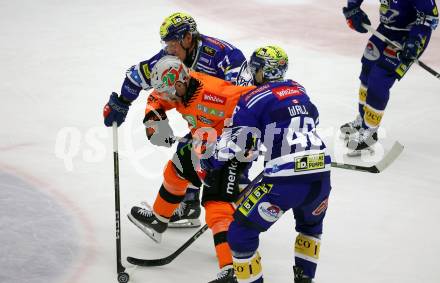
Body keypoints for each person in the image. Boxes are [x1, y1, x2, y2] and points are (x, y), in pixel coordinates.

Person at [102, 12, 253, 227]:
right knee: (189, 155)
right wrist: (122, 103)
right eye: (167, 44)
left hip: (230, 119)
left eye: (173, 43)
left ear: (188, 38)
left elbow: (246, 101)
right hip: (202, 119)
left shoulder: (225, 55)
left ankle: (238, 220)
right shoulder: (171, 56)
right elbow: (137, 76)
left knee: (228, 168)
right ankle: (189, 207)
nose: (168, 49)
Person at [201, 46, 332, 283]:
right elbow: (314, 118)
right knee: (310, 228)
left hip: (285, 179)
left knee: (240, 234)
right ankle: (305, 279)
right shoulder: (298, 89)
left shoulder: (251, 97)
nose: (253, 73)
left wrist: (210, 160)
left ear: (263, 71)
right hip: (321, 171)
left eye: (255, 68)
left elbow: (236, 142)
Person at [127, 55, 255, 282]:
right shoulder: (177, 87)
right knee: (175, 169)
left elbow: (257, 102)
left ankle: (233, 268)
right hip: (203, 143)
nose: (165, 95)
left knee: (217, 204)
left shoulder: (218, 93)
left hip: (232, 149)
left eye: (168, 91)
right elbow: (156, 98)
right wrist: (155, 122)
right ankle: (159, 220)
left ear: (180, 83)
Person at [340, 0, 438, 152]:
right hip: (385, 30)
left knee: (379, 79)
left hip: (408, 38)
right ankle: (364, 120)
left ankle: (370, 132)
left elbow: (430, 17)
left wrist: (415, 41)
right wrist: (353, 8)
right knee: (367, 69)